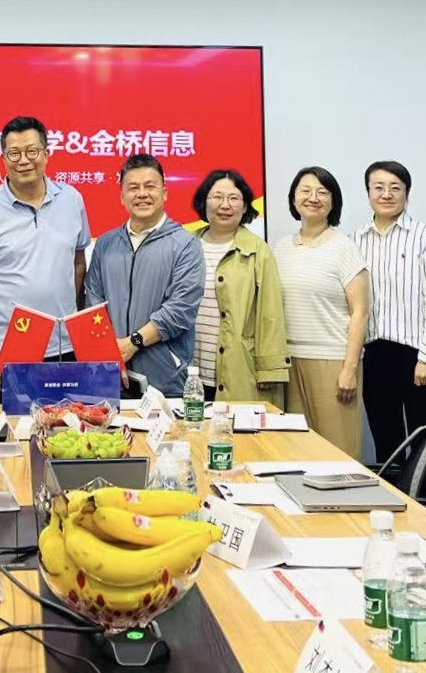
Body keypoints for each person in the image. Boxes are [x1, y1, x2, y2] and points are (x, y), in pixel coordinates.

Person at [0, 116, 92, 392]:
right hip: (9, 348)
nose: (24, 160)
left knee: (65, 416)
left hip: (63, 344)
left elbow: (78, 263)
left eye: (32, 151)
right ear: (3, 158)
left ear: (46, 154)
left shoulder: (72, 200)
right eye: (14, 153)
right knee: (12, 418)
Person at [351, 161, 426, 461]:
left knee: (425, 445)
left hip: (418, 357)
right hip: (374, 355)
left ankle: (422, 495)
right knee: (386, 443)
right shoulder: (356, 239)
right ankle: (392, 493)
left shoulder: (424, 236)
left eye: (395, 188)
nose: (386, 194)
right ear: (368, 192)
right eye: (378, 188)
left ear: (407, 193)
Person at [84, 155, 203, 397]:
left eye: (150, 186)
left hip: (165, 378)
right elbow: (93, 304)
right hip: (111, 374)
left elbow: (181, 309)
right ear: (122, 197)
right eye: (133, 188)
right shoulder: (105, 244)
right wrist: (109, 353)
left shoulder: (185, 245)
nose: (142, 194)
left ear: (164, 193)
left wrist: (133, 343)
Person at [272, 167, 370, 459]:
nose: (313, 198)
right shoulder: (281, 248)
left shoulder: (344, 247)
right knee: (296, 450)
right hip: (289, 362)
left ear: (333, 201)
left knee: (338, 452)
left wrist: (349, 369)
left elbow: (361, 311)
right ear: (293, 199)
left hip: (332, 361)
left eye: (322, 192)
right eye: (305, 191)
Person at [190, 169, 290, 406]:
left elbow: (270, 314)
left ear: (245, 206)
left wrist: (270, 368)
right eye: (217, 197)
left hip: (239, 367)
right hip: (190, 370)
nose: (225, 205)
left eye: (233, 198)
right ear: (204, 202)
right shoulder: (186, 245)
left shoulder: (258, 250)